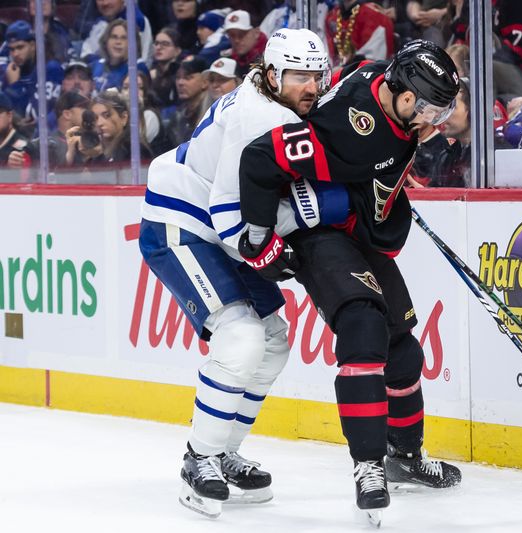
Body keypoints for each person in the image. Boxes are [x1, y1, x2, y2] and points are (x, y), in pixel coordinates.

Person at [237, 39, 463, 523]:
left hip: (361, 231)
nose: (428, 122)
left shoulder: (382, 78)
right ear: (401, 92)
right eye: (423, 109)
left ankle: (405, 456)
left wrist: (381, 191)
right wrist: (258, 239)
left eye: (437, 114)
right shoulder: (347, 127)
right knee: (363, 329)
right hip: (323, 236)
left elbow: (369, 89)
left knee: (404, 351)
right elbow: (259, 160)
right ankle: (368, 466)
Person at [138, 28, 331, 519]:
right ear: (272, 75)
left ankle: (223, 450)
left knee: (273, 340)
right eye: (298, 76)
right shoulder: (257, 118)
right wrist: (270, 252)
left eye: (316, 75)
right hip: (181, 223)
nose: (310, 86)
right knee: (242, 336)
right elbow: (230, 213)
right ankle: (198, 458)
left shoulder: (281, 104)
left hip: (215, 227)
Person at [0, 20, 64, 133]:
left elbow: (35, 114)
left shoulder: (50, 69)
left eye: (20, 47)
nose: (15, 54)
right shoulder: (10, 73)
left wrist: (15, 86)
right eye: (12, 49)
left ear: (33, 45)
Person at [325, 0, 395, 66]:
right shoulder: (331, 16)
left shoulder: (376, 17)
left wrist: (343, 69)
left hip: (365, 74)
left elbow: (373, 60)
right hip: (335, 71)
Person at [164, 56, 212, 149]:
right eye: (178, 77)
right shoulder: (177, 117)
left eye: (188, 78)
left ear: (205, 82)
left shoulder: (212, 114)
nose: (180, 83)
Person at [90, 19, 149, 92]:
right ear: (106, 41)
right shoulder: (95, 65)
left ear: (134, 43)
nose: (118, 42)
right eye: (114, 37)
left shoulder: (137, 67)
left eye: (124, 38)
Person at [223, 10, 268, 78]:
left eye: (242, 34)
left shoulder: (269, 57)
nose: (236, 40)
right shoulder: (226, 59)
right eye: (232, 35)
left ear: (256, 32)